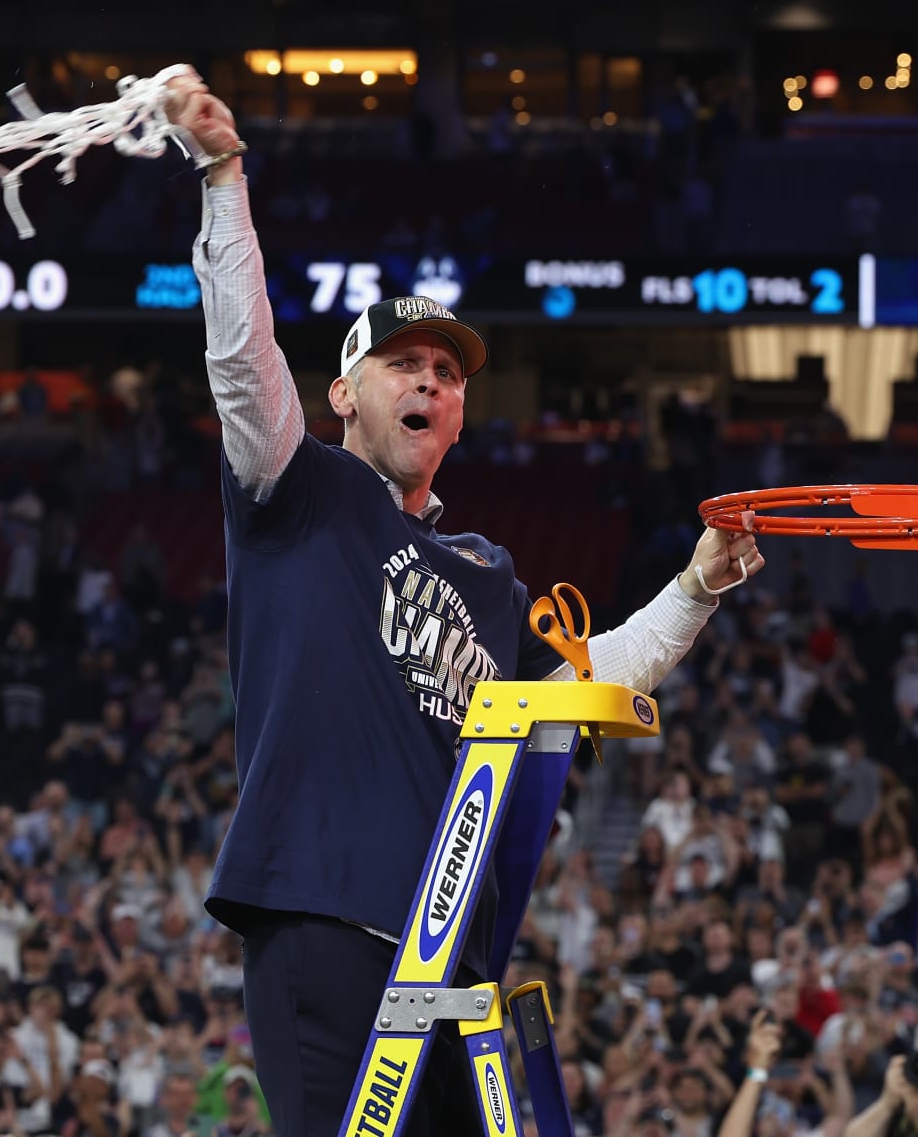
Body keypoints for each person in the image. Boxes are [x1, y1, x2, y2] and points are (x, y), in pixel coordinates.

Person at [167, 72, 765, 1136]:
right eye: (403, 363)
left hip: (450, 953)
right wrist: (223, 181)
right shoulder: (300, 489)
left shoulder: (488, 573)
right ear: (346, 393)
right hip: (319, 905)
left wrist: (697, 589)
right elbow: (242, 364)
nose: (430, 381)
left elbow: (587, 687)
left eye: (446, 371)